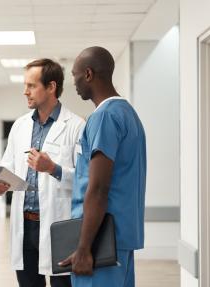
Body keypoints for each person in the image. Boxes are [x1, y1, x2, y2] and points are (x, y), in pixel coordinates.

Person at [0, 58, 85, 287]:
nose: (25, 92)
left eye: (31, 86)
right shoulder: (20, 126)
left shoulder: (76, 125)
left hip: (58, 224)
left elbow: (85, 178)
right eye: (25, 85)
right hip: (25, 226)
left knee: (63, 284)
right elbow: (9, 167)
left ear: (51, 87)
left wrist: (53, 168)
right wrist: (1, 183)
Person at [59, 46, 146, 287]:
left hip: (101, 241)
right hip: (120, 238)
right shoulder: (128, 114)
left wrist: (84, 248)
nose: (74, 84)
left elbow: (98, 187)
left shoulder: (104, 117)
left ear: (88, 74)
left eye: (75, 76)